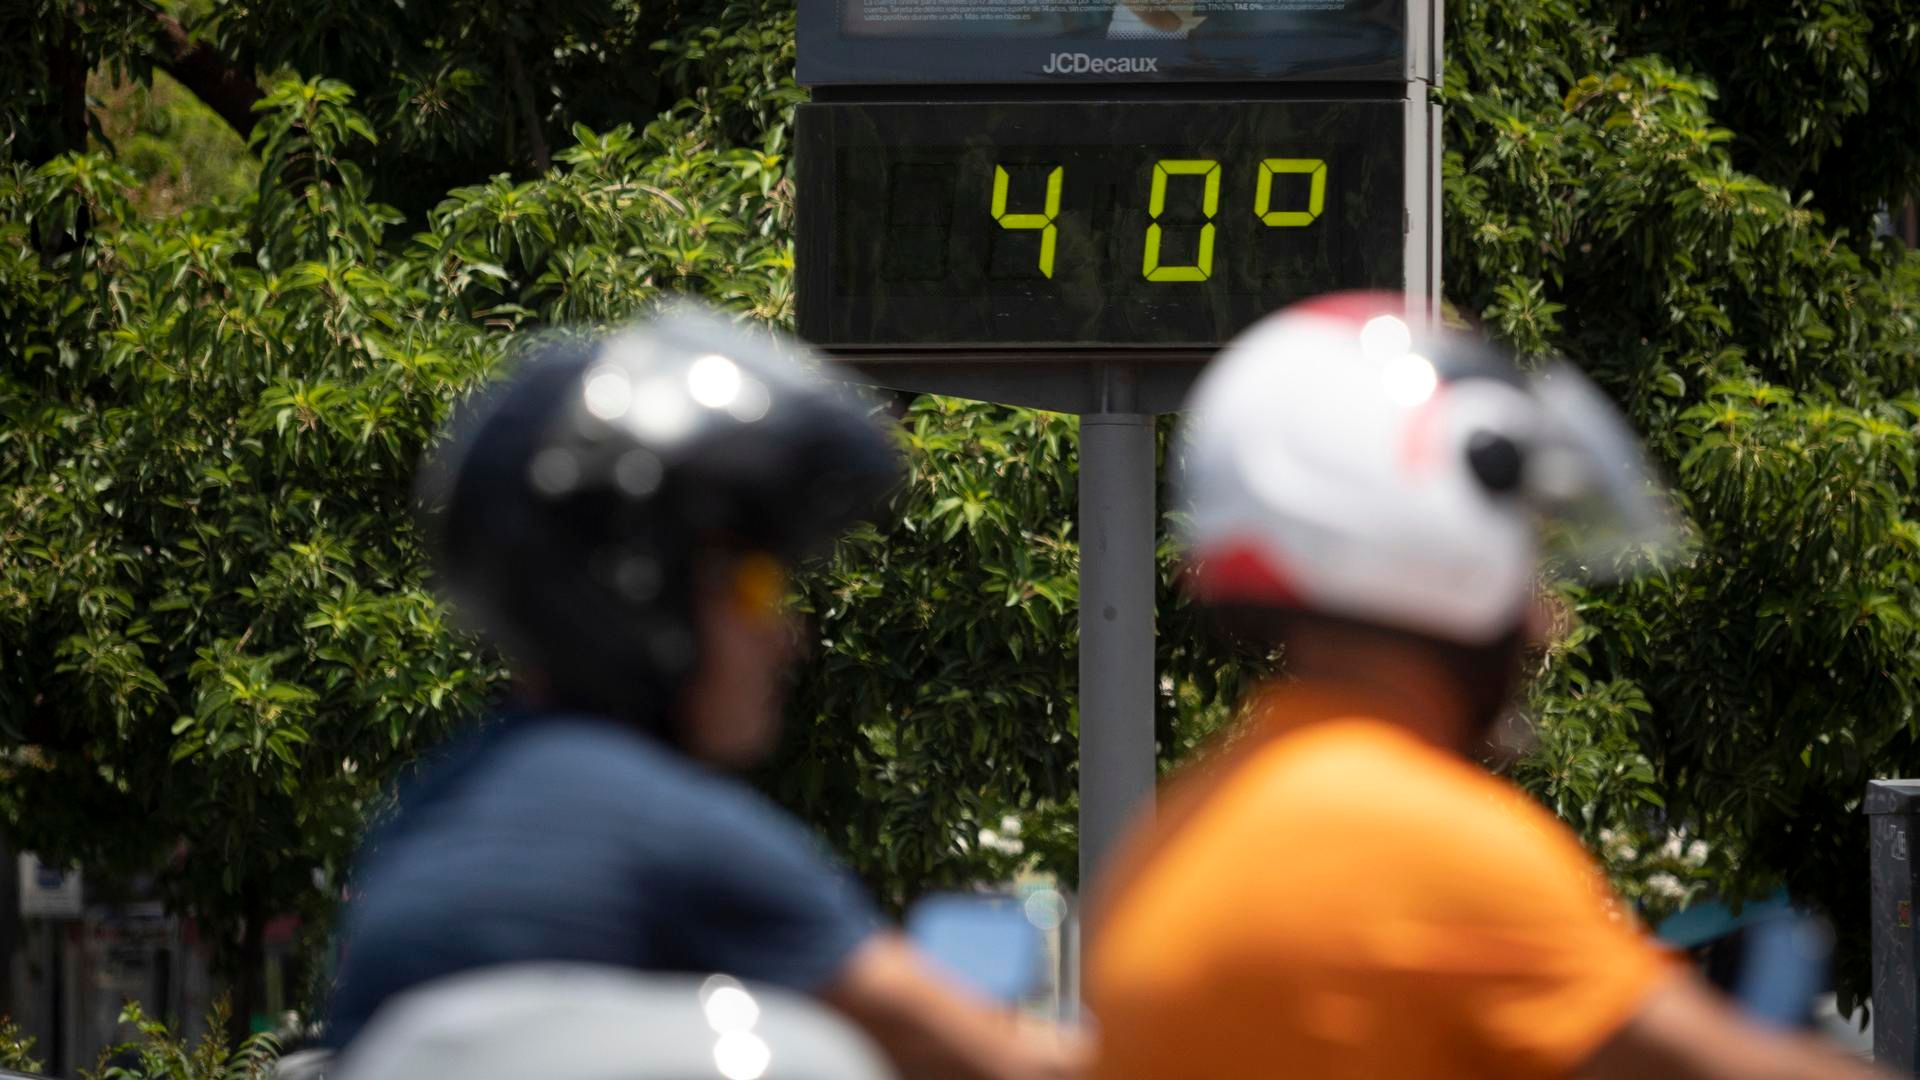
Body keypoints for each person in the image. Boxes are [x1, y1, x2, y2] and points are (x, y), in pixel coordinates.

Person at [1084, 292, 1882, 1079]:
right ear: (1440, 546)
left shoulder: (1174, 832)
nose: (1551, 621)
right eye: (1529, 556)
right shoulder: (1435, 852)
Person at [324, 304, 1084, 1079]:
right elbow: (984, 1058)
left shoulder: (431, 810)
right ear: (637, 590)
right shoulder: (670, 833)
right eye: (756, 589)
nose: (789, 636)